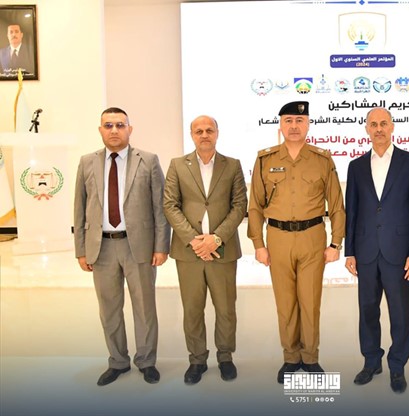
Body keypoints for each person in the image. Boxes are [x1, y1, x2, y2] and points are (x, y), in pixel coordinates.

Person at [247, 101, 346, 384]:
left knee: (310, 302)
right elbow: (255, 205)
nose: (294, 126)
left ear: (308, 124)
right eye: (288, 120)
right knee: (286, 303)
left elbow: (336, 205)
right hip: (277, 238)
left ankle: (310, 358)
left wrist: (335, 243)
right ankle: (291, 358)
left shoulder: (322, 159)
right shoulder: (265, 159)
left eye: (299, 121)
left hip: (312, 237)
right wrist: (258, 244)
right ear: (280, 125)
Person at [74, 107, 170, 386]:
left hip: (137, 246)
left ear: (130, 129)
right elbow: (79, 207)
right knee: (109, 310)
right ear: (100, 130)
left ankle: (147, 361)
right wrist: (81, 249)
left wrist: (161, 246)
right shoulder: (87, 162)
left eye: (119, 125)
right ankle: (118, 361)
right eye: (108, 125)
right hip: (101, 248)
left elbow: (160, 206)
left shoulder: (148, 160)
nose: (114, 130)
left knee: (144, 308)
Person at [344, 107, 409, 394]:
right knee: (367, 310)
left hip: (400, 252)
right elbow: (352, 211)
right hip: (366, 251)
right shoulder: (356, 166)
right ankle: (371, 361)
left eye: (383, 123)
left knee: (400, 312)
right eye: (373, 124)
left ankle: (397, 365)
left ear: (392, 127)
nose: (378, 129)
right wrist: (350, 251)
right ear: (366, 129)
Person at [163, 115, 247, 384]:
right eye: (198, 131)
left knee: (226, 309)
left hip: (223, 251)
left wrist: (217, 239)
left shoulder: (232, 165)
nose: (204, 134)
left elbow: (239, 206)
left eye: (209, 130)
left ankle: (225, 357)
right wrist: (195, 241)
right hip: (189, 252)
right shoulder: (178, 165)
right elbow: (170, 205)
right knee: (192, 309)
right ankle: (197, 360)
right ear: (192, 135)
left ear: (217, 133)